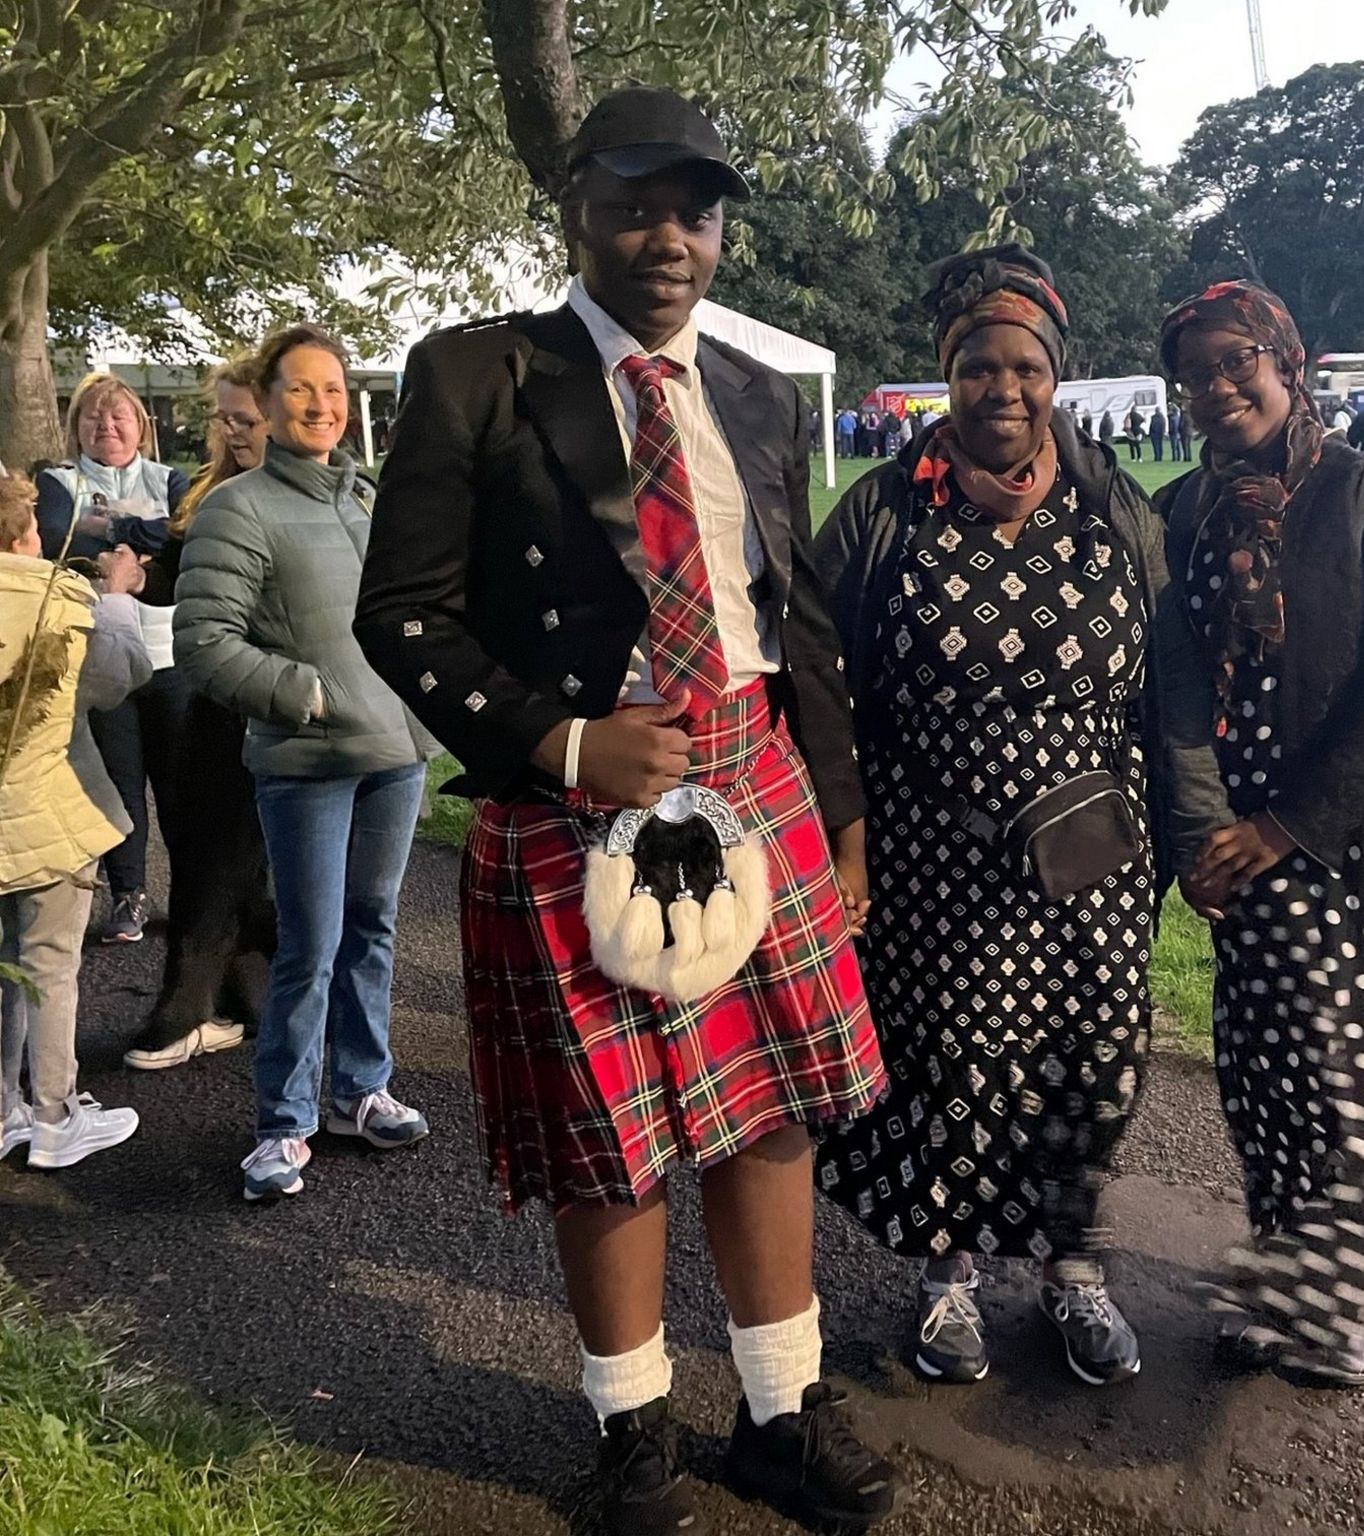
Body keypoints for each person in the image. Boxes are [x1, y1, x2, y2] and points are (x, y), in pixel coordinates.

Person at [354, 88, 899, 1534]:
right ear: (577, 206)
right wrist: (562, 740)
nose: (672, 235)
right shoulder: (478, 374)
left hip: (756, 772)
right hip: (582, 784)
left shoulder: (760, 396)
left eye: (698, 209)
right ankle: (633, 1433)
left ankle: (782, 1413)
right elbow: (400, 616)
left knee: (771, 1110)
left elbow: (804, 628)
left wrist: (838, 817)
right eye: (639, 201)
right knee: (614, 1129)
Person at [812, 246, 1199, 1391]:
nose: (1003, 389)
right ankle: (946, 1283)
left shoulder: (1112, 506)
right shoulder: (884, 511)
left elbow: (1170, 678)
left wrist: (1188, 831)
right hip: (938, 853)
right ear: (948, 378)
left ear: (1055, 376)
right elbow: (816, 674)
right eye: (978, 367)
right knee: (954, 1062)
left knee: (1095, 1059)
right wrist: (843, 833)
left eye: (1024, 366)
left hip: (1093, 855)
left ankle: (1073, 1271)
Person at [1150, 280, 1364, 1387]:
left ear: (1286, 363)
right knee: (1272, 1077)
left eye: (1234, 361)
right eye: (1194, 372)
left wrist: (1288, 824)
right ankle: (1290, 1277)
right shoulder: (1181, 517)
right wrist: (1207, 834)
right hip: (1246, 844)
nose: (1215, 388)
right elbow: (1171, 687)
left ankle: (1348, 1304)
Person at [176, 324, 433, 1202]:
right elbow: (203, 641)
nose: (321, 405)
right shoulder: (238, 507)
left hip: (396, 754)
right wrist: (306, 694)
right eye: (300, 389)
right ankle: (284, 1124)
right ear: (266, 398)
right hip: (307, 760)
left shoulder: (367, 500)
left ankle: (360, 1089)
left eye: (332, 390)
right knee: (310, 945)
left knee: (374, 924)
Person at [113, 359, 278, 1071]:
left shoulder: (296, 493)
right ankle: (243, 996)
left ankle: (193, 1004)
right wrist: (136, 577)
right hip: (211, 693)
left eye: (245, 418)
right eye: (224, 418)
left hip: (267, 696)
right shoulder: (212, 489)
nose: (231, 431)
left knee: (229, 853)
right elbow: (178, 576)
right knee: (211, 845)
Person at [1, 470, 153, 1167]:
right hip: (47, 815)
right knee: (50, 965)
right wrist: (115, 597)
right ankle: (57, 1114)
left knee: (6, 970)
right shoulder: (56, 599)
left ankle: (6, 1107)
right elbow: (119, 677)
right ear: (24, 532)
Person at [35, 376, 191, 947]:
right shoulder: (59, 481)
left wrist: (110, 533)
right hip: (101, 658)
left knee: (180, 784)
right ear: (76, 428)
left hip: (170, 656)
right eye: (92, 419)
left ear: (141, 425)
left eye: (119, 416)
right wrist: (135, 543)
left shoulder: (171, 478)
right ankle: (129, 895)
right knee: (120, 785)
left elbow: (178, 539)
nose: (107, 427)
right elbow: (59, 539)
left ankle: (191, 896)